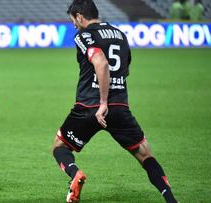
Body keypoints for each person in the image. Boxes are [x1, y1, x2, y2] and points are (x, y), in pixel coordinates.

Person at [51, 0, 179, 203]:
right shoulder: (120, 35)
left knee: (59, 147)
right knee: (146, 155)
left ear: (80, 17)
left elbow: (100, 62)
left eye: (73, 20)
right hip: (119, 107)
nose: (74, 24)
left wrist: (102, 103)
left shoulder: (84, 35)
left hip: (90, 107)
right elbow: (125, 69)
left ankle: (75, 174)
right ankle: (172, 200)